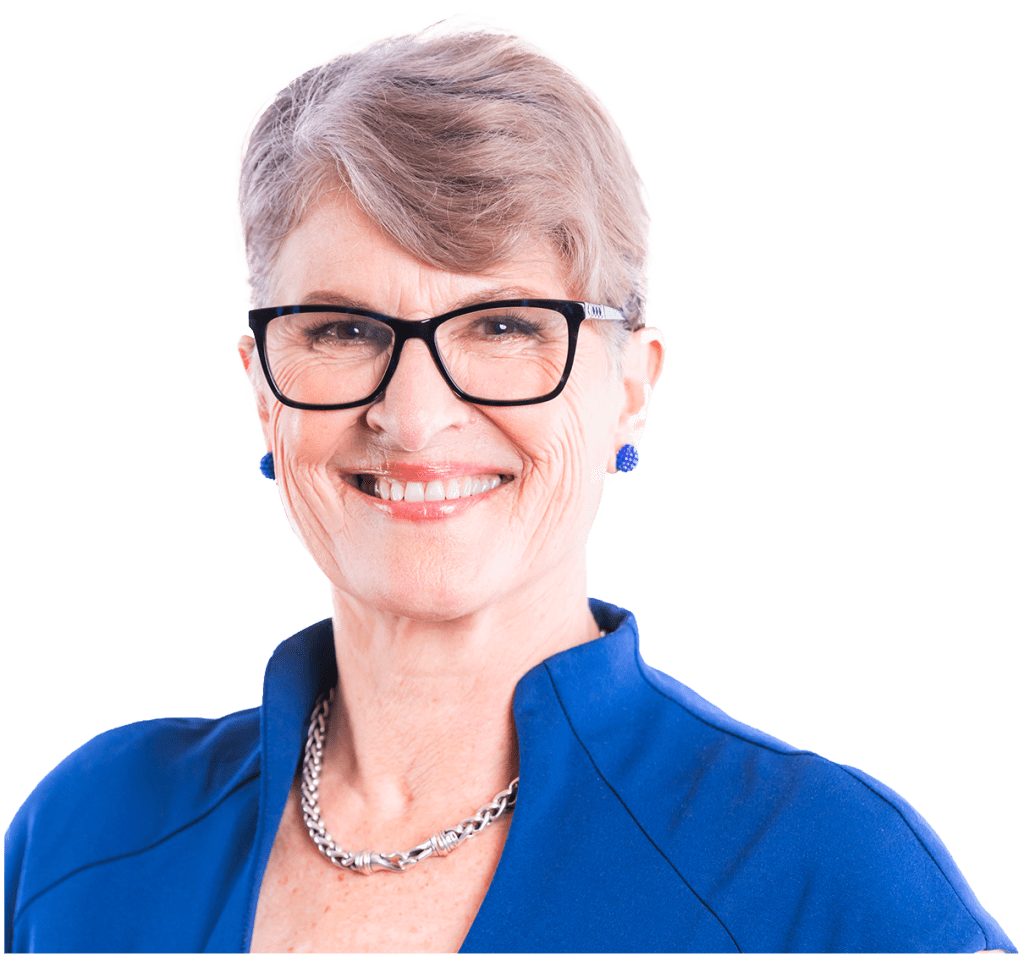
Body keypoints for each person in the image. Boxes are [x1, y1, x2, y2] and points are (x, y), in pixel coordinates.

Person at [4, 11, 1017, 955]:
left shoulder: (827, 876)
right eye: (343, 329)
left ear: (632, 388)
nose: (413, 415)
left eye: (502, 326)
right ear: (260, 392)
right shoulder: (87, 838)